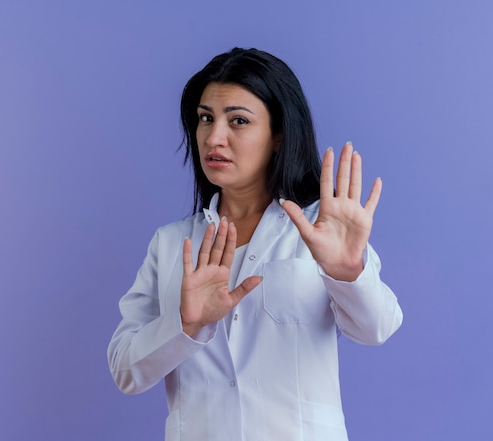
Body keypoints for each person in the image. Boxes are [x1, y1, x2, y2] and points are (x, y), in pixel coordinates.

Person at [107, 47, 403, 441]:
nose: (215, 137)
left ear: (278, 135)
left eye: (239, 121)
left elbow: (377, 328)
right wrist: (186, 324)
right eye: (205, 119)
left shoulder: (320, 230)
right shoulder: (171, 243)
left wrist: (347, 271)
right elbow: (126, 371)